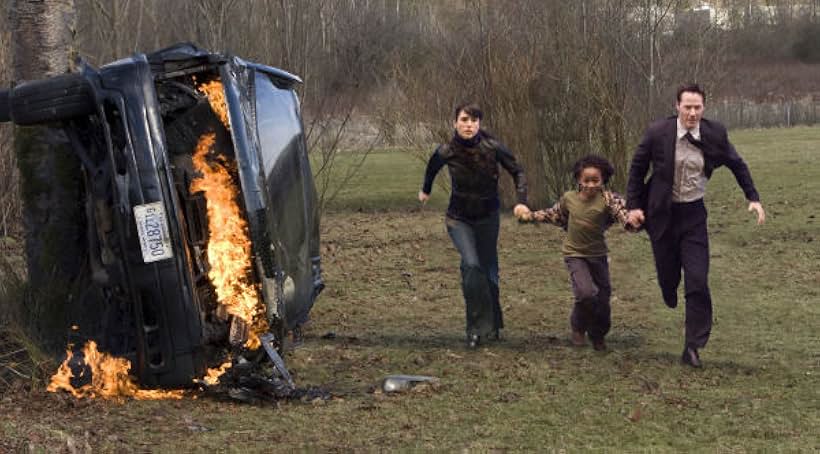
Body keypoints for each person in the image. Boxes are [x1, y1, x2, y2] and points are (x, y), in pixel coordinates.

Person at [625, 83, 765, 368]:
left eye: (697, 107)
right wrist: (634, 207)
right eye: (687, 107)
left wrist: (753, 197)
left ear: (704, 108)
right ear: (677, 106)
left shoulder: (714, 134)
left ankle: (693, 346)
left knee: (698, 280)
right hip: (661, 214)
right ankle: (668, 287)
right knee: (668, 277)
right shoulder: (657, 133)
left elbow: (737, 163)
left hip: (693, 215)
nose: (692, 113)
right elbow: (637, 169)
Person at [419, 102, 531, 348]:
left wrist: (521, 201)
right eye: (464, 120)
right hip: (458, 218)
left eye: (474, 121)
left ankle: (493, 324)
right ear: (454, 123)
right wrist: (425, 190)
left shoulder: (493, 147)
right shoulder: (446, 150)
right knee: (471, 266)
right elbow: (431, 168)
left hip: (488, 217)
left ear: (479, 124)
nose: (469, 125)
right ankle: (474, 328)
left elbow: (518, 171)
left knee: (489, 272)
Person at [521, 155, 632, 352]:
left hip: (598, 256)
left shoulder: (608, 199)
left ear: (603, 180)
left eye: (595, 180)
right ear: (578, 180)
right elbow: (553, 214)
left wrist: (633, 221)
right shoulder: (569, 199)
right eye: (586, 180)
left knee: (603, 298)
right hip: (575, 255)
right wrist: (530, 216)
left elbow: (623, 214)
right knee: (586, 293)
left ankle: (598, 335)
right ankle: (578, 327)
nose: (590, 185)